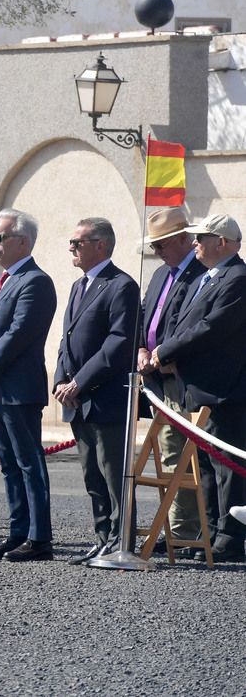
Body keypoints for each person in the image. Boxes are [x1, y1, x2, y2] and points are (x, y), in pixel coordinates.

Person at [0, 209, 56, 561]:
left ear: (23, 241)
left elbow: (19, 333)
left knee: (29, 462)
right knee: (8, 463)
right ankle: (18, 531)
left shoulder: (35, 281)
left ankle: (39, 538)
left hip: (17, 388)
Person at [153, 214, 246, 562]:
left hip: (225, 389)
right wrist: (166, 352)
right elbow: (180, 322)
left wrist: (167, 351)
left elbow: (211, 328)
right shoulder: (207, 278)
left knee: (227, 465)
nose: (194, 243)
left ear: (221, 242)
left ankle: (232, 537)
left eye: (200, 238)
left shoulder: (237, 278)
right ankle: (209, 530)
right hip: (198, 386)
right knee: (204, 465)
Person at [54, 217, 140, 564]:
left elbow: (118, 343)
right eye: (71, 242)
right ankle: (102, 537)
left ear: (100, 245)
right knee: (92, 475)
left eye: (78, 242)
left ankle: (122, 542)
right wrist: (62, 380)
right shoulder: (79, 286)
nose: (71, 248)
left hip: (104, 397)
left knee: (112, 472)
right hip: (78, 398)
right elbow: (67, 340)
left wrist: (81, 382)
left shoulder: (121, 286)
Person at [136, 206, 208, 554]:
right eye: (154, 245)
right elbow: (144, 317)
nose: (157, 251)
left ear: (184, 239)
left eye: (162, 244)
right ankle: (181, 529)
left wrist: (163, 355)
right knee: (169, 457)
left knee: (192, 461)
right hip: (157, 382)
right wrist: (140, 349)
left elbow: (194, 329)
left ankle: (193, 531)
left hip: (185, 380)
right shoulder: (159, 276)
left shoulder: (200, 275)